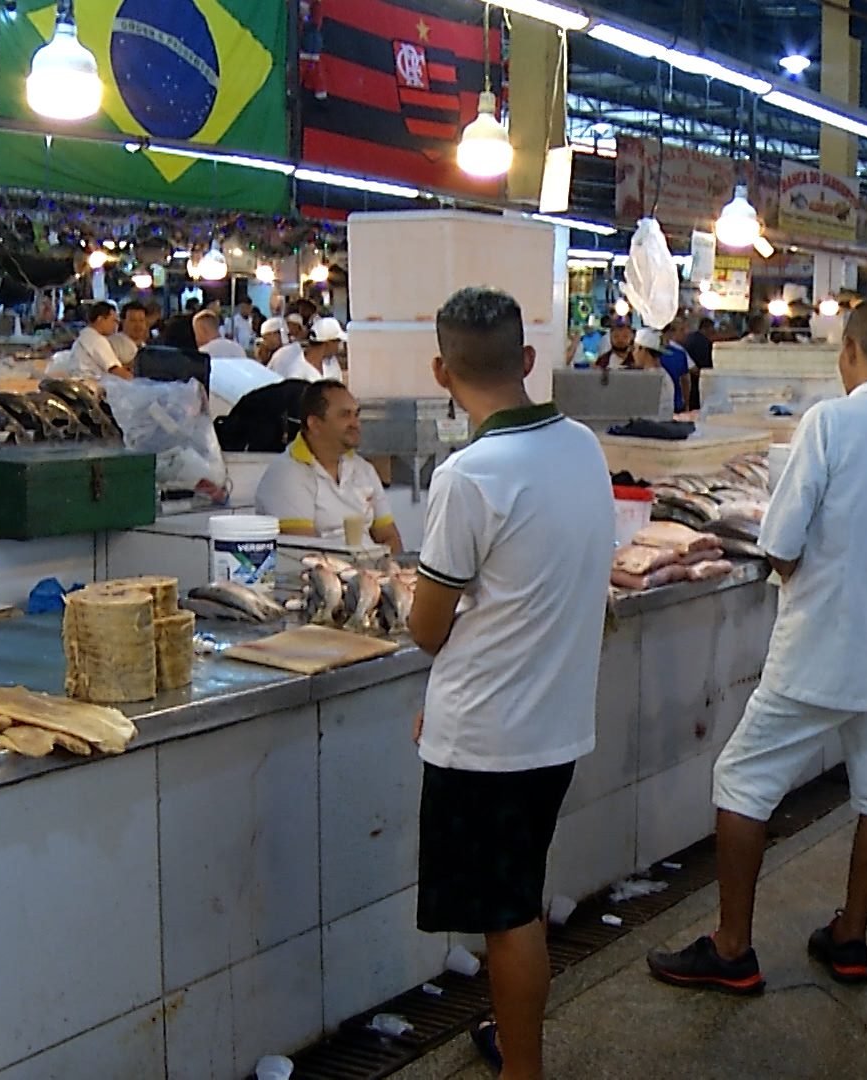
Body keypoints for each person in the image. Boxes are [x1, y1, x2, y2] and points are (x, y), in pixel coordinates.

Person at [646, 298, 867, 993]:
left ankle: (732, 947)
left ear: (851, 350)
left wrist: (823, 576)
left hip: (817, 649)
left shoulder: (830, 422)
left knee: (742, 781)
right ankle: (850, 939)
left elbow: (780, 543)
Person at [408, 287, 612, 1080]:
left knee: (508, 916)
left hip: (489, 737)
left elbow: (427, 628)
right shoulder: (582, 448)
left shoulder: (471, 475)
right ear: (528, 361)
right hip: (555, 726)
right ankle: (512, 1036)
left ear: (440, 369)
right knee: (517, 896)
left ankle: (522, 1070)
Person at [252, 379, 400, 553]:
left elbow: (390, 537)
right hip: (324, 576)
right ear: (314, 424)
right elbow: (306, 555)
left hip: (373, 573)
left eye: (356, 414)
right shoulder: (286, 475)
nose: (356, 423)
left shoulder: (364, 469)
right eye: (345, 415)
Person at [52, 301, 131, 381]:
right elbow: (115, 369)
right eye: (113, 321)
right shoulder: (96, 339)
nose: (115, 325)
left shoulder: (86, 336)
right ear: (100, 319)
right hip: (89, 386)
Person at [270, 317, 346, 383]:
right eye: (338, 342)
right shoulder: (296, 371)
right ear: (328, 343)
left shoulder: (332, 362)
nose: (339, 347)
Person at [682, 316, 716, 409]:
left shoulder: (689, 338)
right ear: (706, 328)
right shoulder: (704, 343)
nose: (713, 332)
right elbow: (706, 366)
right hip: (697, 383)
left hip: (687, 381)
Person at [113, 302, 150, 366]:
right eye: (133, 320)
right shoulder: (113, 344)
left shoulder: (144, 346)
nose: (138, 325)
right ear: (123, 322)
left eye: (141, 320)